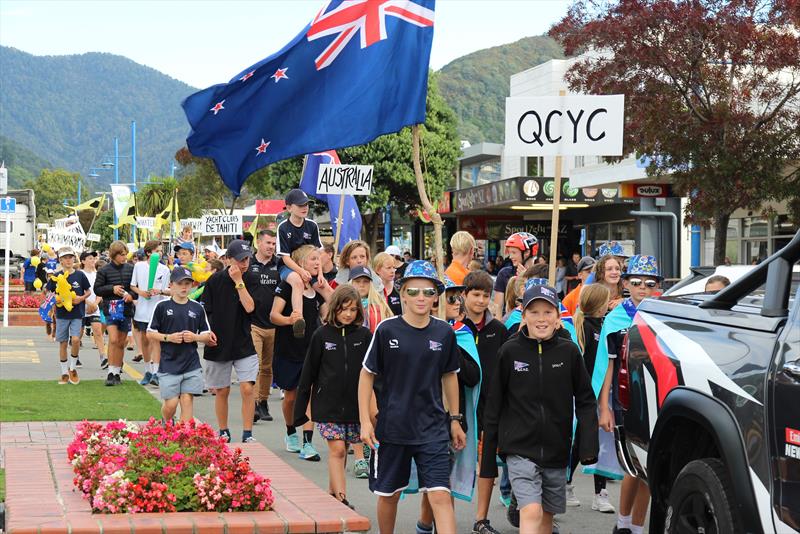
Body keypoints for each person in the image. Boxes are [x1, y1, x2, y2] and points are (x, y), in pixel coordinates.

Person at [480, 284, 598, 534]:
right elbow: (494, 406)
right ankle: (519, 499)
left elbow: (587, 401)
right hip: (519, 449)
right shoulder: (510, 351)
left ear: (558, 317)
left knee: (546, 518)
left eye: (548, 312)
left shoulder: (569, 352)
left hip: (557, 450)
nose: (541, 319)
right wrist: (490, 456)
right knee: (531, 512)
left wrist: (587, 446)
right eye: (534, 312)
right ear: (523, 316)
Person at [358, 260, 466, 534]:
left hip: (433, 428)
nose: (421, 298)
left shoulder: (444, 332)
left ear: (436, 297)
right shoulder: (386, 330)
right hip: (393, 428)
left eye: (429, 292)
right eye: (414, 291)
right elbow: (366, 375)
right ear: (402, 293)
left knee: (441, 494)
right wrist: (365, 422)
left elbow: (450, 375)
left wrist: (455, 419)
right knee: (389, 494)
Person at [594, 255, 662, 534]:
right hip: (625, 400)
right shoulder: (615, 319)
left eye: (649, 283)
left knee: (650, 469)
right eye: (636, 282)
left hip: (656, 400)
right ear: (625, 284)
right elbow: (606, 365)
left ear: (657, 285)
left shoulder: (662, 315)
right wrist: (604, 407)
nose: (642, 288)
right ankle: (622, 523)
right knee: (633, 468)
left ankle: (637, 527)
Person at [413, 276, 481, 534]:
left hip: (447, 418)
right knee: (429, 483)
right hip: (417, 415)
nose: (455, 302)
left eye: (457, 297)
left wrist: (450, 347)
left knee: (442, 482)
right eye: (449, 297)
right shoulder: (415, 330)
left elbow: (473, 376)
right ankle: (425, 523)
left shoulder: (461, 334)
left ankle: (430, 526)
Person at [293, 285, 372, 507]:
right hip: (327, 405)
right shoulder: (321, 335)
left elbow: (375, 373)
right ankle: (341, 500)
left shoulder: (365, 336)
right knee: (337, 449)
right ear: (334, 308)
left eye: (353, 310)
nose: (348, 314)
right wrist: (299, 411)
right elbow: (308, 373)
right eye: (344, 309)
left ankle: (332, 491)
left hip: (355, 406)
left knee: (343, 448)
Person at [461, 271, 510, 534]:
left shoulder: (498, 330)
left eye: (485, 295)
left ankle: (481, 518)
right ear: (464, 295)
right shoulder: (454, 329)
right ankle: (436, 514)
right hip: (461, 406)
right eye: (476, 295)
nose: (481, 301)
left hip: (492, 405)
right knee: (451, 462)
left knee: (488, 464)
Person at [270, 244, 330, 461]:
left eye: (318, 259)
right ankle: (290, 432)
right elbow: (274, 315)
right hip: (288, 349)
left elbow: (326, 315)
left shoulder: (318, 289)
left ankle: (308, 442)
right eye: (313, 259)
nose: (317, 262)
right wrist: (291, 320)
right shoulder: (287, 286)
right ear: (301, 262)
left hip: (311, 351)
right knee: (291, 397)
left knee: (310, 394)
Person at [201, 239, 259, 443]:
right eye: (240, 260)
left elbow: (250, 307)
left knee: (247, 388)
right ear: (227, 260)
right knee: (222, 390)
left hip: (244, 342)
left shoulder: (252, 278)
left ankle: (247, 433)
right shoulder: (214, 281)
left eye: (247, 259)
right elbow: (205, 312)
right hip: (219, 343)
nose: (245, 264)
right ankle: (223, 430)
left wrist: (239, 282)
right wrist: (206, 333)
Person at [568, 283, 618, 512]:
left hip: (601, 396)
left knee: (600, 444)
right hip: (585, 397)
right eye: (606, 301)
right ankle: (567, 484)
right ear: (599, 305)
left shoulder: (604, 325)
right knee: (581, 444)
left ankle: (600, 493)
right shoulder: (585, 328)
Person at [146, 266, 212, 422]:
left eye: (188, 283)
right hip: (169, 364)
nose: (184, 287)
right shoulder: (162, 306)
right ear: (171, 285)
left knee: (187, 399)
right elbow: (150, 333)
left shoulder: (197, 308)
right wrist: (169, 338)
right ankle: (166, 421)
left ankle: (184, 437)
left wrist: (194, 337)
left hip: (191, 364)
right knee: (171, 404)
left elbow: (207, 334)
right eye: (180, 283)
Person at [275, 189, 323, 339]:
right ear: (289, 208)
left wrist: (320, 273)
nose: (305, 208)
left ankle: (335, 316)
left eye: (307, 204)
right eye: (300, 205)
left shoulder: (312, 225)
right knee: (297, 281)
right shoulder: (283, 227)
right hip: (287, 267)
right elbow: (285, 258)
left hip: (308, 266)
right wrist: (301, 272)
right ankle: (298, 319)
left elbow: (317, 253)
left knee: (324, 287)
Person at [46, 247, 91, 384]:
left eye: (71, 257)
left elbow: (88, 291)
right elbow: (49, 293)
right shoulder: (56, 275)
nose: (68, 260)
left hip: (77, 313)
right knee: (63, 343)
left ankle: (72, 368)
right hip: (61, 315)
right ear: (60, 260)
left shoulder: (80, 275)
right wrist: (55, 299)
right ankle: (64, 373)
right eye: (65, 258)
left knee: (76, 340)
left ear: (74, 259)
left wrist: (81, 298)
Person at [249, 229, 280, 423]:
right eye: (268, 243)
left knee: (268, 367)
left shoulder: (280, 265)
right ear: (258, 243)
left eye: (274, 244)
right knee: (256, 366)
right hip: (253, 324)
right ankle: (252, 404)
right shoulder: (248, 263)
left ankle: (263, 402)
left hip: (274, 325)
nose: (271, 247)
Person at [130, 240, 171, 387]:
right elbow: (133, 285)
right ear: (148, 253)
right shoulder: (139, 266)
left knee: (156, 341)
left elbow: (167, 290)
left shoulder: (164, 269)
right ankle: (147, 371)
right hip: (142, 310)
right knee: (145, 342)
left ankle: (156, 372)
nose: (160, 253)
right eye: (157, 251)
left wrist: (158, 291)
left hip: (157, 310)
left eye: (161, 251)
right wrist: (142, 292)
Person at [94, 241, 135, 386]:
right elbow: (97, 289)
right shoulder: (104, 270)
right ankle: (110, 372)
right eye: (121, 255)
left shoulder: (131, 268)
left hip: (126, 309)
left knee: (121, 342)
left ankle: (117, 372)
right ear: (113, 255)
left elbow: (135, 288)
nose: (124, 257)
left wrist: (131, 296)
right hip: (110, 309)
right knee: (113, 339)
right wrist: (112, 289)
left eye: (125, 254)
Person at [492, 232, 539, 316]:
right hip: (509, 322)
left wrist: (526, 279)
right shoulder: (504, 273)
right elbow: (497, 307)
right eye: (510, 253)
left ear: (527, 252)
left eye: (514, 252)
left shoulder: (540, 273)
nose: (510, 256)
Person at [79, 250, 107, 370]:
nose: (92, 260)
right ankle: (75, 357)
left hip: (94, 308)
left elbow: (100, 291)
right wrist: (88, 303)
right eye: (90, 258)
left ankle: (103, 357)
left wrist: (95, 304)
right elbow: (77, 292)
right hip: (81, 307)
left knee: (98, 331)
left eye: (93, 258)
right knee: (78, 335)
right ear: (83, 261)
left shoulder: (97, 275)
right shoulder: (79, 274)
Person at [349, 266, 392, 333]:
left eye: (366, 281)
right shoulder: (344, 305)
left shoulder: (382, 306)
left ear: (370, 284)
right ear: (351, 283)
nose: (362, 285)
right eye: (357, 281)